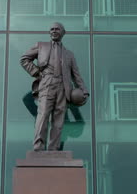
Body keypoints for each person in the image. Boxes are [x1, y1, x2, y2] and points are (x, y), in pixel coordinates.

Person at [20, 22, 89, 151]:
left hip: (63, 87)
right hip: (47, 83)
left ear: (63, 32)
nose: (54, 31)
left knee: (59, 119)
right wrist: (36, 72)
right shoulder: (41, 46)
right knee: (43, 115)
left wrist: (84, 90)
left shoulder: (69, 54)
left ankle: (54, 149)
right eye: (51, 29)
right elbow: (24, 59)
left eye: (57, 29)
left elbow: (76, 75)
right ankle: (39, 147)